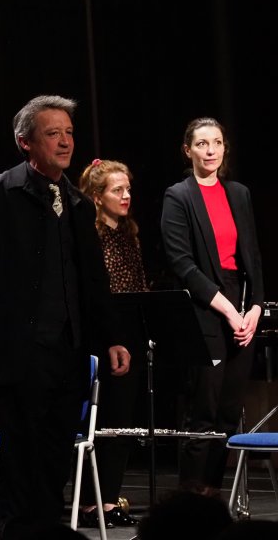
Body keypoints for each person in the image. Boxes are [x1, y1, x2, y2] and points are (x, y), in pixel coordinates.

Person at [0, 95, 131, 540]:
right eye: (53, 133)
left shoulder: (79, 205)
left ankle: (48, 533)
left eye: (68, 132)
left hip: (67, 352)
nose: (65, 141)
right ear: (24, 141)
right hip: (17, 352)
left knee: (54, 457)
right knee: (21, 457)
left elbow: (93, 281)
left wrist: (111, 337)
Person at [160, 117, 263, 495]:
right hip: (204, 307)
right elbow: (182, 264)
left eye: (217, 142)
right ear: (188, 150)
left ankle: (213, 497)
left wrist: (254, 308)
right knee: (203, 410)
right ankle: (192, 501)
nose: (210, 150)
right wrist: (229, 310)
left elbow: (251, 255)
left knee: (228, 412)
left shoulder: (239, 193)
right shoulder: (179, 196)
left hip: (240, 305)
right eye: (202, 143)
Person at [77, 158, 147, 527]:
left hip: (132, 334)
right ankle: (92, 502)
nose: (125, 196)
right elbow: (97, 294)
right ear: (97, 196)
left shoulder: (128, 232)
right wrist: (111, 337)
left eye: (128, 189)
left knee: (122, 424)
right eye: (117, 190)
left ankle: (107, 499)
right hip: (104, 337)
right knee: (101, 422)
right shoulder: (93, 235)